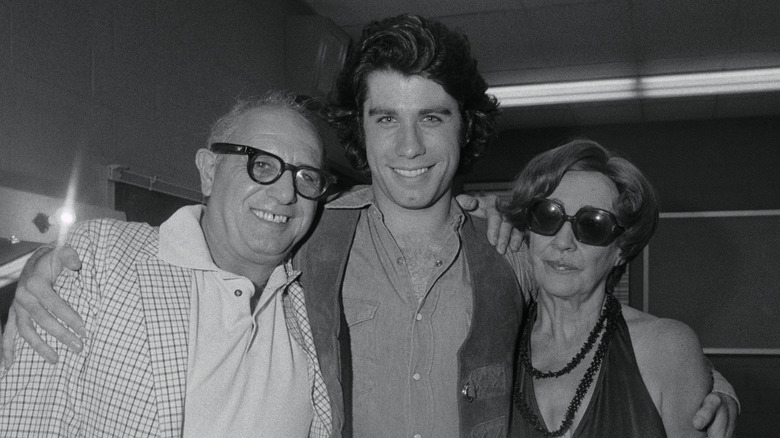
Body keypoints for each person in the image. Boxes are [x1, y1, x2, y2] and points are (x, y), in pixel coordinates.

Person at [3, 14, 738, 438]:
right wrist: (50, 264)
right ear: (359, 129)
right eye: (385, 118)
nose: (408, 148)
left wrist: (711, 391)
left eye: (432, 119)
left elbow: (594, 335)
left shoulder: (508, 252)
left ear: (466, 127)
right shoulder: (306, 235)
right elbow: (204, 245)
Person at [0, 92, 339, 437]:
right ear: (209, 171)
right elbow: (24, 420)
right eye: (262, 165)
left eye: (307, 177)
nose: (286, 194)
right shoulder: (100, 260)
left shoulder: (312, 306)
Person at [503, 139, 712, 437]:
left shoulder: (666, 348)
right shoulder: (498, 343)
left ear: (621, 250)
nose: (563, 242)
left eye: (592, 225)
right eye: (548, 215)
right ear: (528, 230)